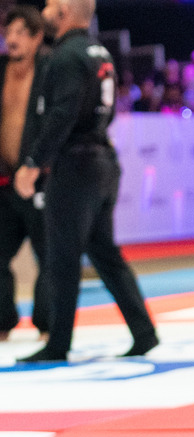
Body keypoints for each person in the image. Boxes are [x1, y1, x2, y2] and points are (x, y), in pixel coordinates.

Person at [13, 0, 158, 362]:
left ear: (64, 12)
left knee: (63, 257)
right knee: (104, 252)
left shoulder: (66, 56)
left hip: (76, 166)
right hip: (101, 160)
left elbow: (62, 113)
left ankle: (58, 343)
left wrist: (33, 163)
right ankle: (144, 331)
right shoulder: (97, 51)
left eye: (50, 4)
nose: (45, 8)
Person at [0, 5, 49, 342]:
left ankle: (47, 324)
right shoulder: (1, 70)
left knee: (48, 254)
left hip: (38, 180)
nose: (12, 39)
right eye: (8, 32)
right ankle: (3, 321)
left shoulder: (49, 70)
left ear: (36, 38)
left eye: (20, 32)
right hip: (4, 181)